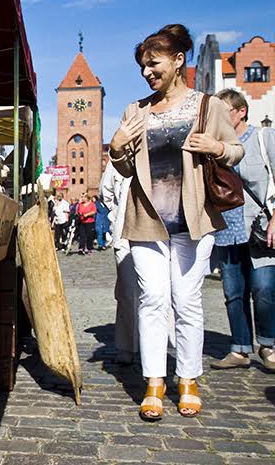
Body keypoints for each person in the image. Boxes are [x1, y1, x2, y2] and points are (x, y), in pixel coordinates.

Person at [109, 24, 243, 421]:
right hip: (148, 219)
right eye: (142, 67)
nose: (147, 72)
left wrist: (217, 147)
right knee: (151, 300)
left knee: (186, 301)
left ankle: (188, 378)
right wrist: (117, 149)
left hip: (193, 218)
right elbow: (127, 166)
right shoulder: (136, 111)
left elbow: (234, 149)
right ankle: (154, 381)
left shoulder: (208, 106)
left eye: (153, 64)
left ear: (178, 60)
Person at [210, 89, 275, 372]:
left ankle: (268, 345)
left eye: (223, 112)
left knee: (264, 288)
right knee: (233, 292)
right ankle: (240, 349)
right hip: (227, 228)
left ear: (241, 111)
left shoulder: (264, 138)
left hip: (259, 227)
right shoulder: (215, 148)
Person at [100, 162, 140, 364]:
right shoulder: (116, 159)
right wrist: (116, 215)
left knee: (158, 291)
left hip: (157, 231)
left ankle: (159, 344)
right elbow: (105, 192)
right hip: (124, 233)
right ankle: (127, 345)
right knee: (127, 291)